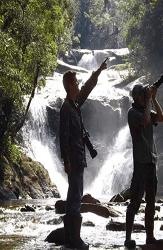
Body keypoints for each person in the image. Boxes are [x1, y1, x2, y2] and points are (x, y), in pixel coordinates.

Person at [59, 60, 107, 249]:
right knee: (75, 197)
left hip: (79, 159)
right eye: (76, 82)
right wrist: (67, 162)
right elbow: (63, 138)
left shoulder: (75, 104)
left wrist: (98, 72)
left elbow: (87, 88)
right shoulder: (66, 108)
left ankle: (69, 237)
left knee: (74, 196)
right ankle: (75, 239)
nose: (78, 84)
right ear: (70, 85)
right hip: (75, 160)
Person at [125, 83, 163, 248]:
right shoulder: (133, 113)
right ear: (137, 97)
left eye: (144, 94)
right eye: (142, 95)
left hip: (151, 162)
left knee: (151, 202)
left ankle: (150, 237)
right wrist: (149, 101)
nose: (144, 96)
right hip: (141, 163)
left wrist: (154, 99)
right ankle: (128, 238)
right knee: (135, 201)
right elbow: (146, 120)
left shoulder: (146, 108)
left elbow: (161, 118)